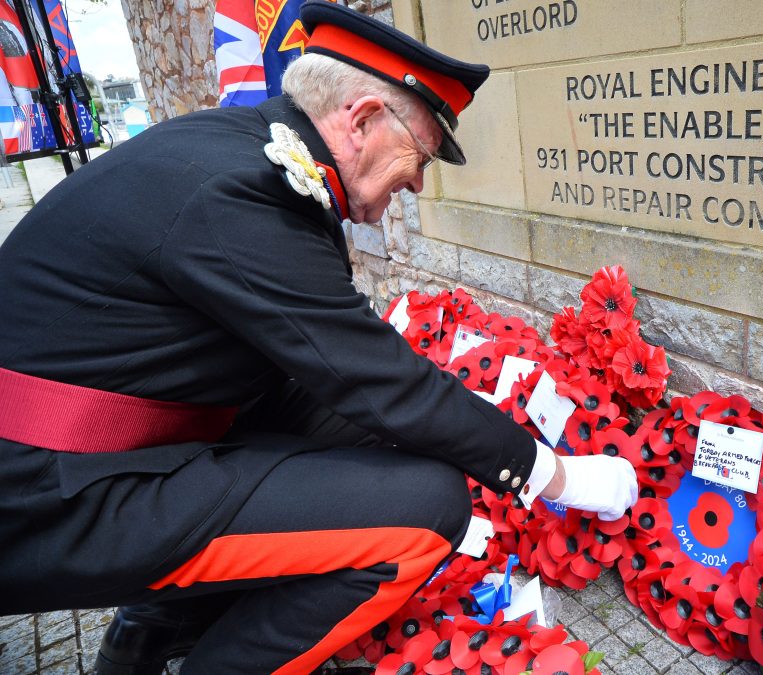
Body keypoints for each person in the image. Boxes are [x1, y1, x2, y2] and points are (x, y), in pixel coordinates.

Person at [0, 2, 638, 673]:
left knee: (374, 437)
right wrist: (557, 474)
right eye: (420, 155)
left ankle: (153, 626)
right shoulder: (243, 193)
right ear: (360, 120)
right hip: (53, 491)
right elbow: (375, 378)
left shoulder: (249, 156)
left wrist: (433, 430)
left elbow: (318, 373)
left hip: (125, 434)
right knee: (425, 511)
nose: (419, 182)